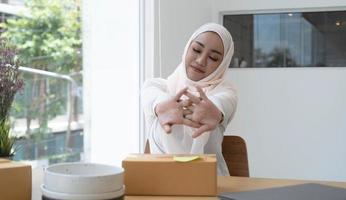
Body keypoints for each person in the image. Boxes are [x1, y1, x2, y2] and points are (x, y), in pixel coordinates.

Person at [141, 23, 237, 176]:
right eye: (196, 50)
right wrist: (161, 106)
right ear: (187, 48)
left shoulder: (224, 92)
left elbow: (223, 103)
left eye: (213, 58)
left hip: (212, 185)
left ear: (222, 64)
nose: (200, 60)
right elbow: (152, 96)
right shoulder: (158, 87)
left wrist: (216, 113)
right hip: (159, 185)